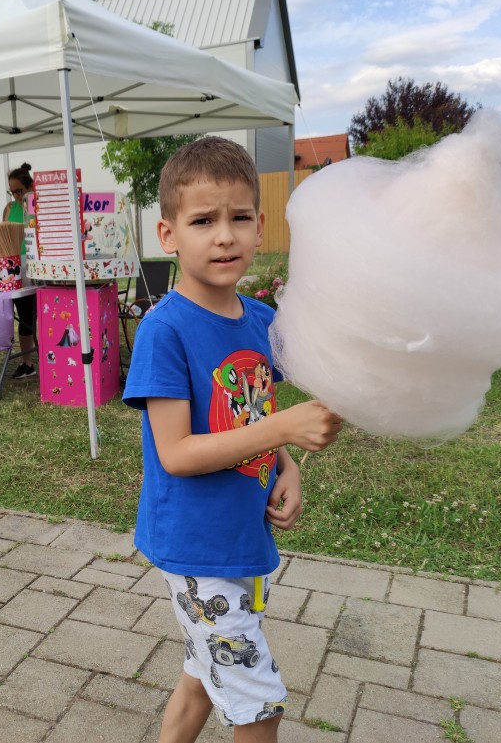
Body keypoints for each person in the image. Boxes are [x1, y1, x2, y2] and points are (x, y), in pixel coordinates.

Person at [122, 137, 343, 742]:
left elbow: (254, 413)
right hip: (198, 552)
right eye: (203, 221)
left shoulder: (260, 320)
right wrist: (280, 430)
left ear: (260, 225)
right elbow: (178, 453)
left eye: (239, 218)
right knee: (258, 703)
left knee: (202, 673)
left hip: (242, 540)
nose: (224, 236)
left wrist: (285, 461)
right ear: (168, 235)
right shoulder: (164, 331)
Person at [1, 162, 37, 379]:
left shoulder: (37, 206)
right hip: (15, 266)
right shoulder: (9, 208)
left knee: (35, 315)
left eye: (19, 191)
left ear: (30, 186)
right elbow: (4, 234)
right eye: (11, 191)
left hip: (37, 265)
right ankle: (27, 362)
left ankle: (49, 355)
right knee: (23, 315)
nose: (15, 195)